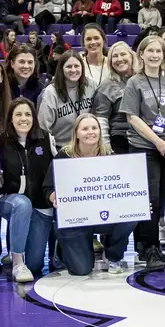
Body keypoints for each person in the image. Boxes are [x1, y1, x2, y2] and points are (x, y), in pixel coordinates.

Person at [121, 35, 165, 268]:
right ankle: (146, 248)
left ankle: (156, 248)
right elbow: (132, 117)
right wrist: (158, 141)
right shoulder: (134, 82)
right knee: (149, 198)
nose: (155, 55)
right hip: (145, 147)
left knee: (161, 199)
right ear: (142, 54)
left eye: (159, 51)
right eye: (150, 51)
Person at [44, 114, 135, 276]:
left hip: (103, 216)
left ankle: (113, 256)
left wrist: (136, 202)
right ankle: (62, 249)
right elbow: (48, 188)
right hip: (75, 219)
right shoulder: (64, 156)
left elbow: (123, 189)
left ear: (100, 132)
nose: (90, 132)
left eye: (94, 128)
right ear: (76, 133)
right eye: (85, 129)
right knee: (82, 270)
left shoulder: (109, 156)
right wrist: (55, 197)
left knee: (131, 216)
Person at [0, 97, 55, 281]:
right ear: (11, 119)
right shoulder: (0, 141)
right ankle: (17, 262)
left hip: (40, 205)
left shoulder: (46, 138)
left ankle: (26, 260)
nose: (24, 118)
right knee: (23, 204)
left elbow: (59, 166)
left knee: (36, 265)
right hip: (11, 201)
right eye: (18, 114)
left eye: (28, 114)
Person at [38, 51, 97, 145]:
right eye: (69, 66)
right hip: (61, 148)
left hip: (87, 145)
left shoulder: (91, 85)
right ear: (61, 69)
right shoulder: (51, 92)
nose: (73, 70)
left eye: (77, 66)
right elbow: (43, 129)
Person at [93, 41, 136, 153]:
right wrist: (106, 148)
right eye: (115, 56)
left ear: (131, 56)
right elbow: (101, 120)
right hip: (120, 141)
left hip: (146, 139)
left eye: (123, 54)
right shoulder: (106, 86)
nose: (119, 59)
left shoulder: (143, 79)